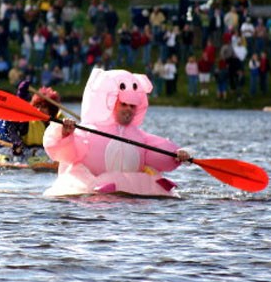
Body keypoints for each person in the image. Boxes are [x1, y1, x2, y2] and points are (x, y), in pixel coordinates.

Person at [43, 68, 190, 197]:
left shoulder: (139, 137)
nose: (128, 109)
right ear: (111, 103)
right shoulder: (88, 133)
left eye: (132, 106)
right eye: (124, 104)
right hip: (93, 189)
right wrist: (65, 134)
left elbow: (156, 152)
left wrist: (175, 155)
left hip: (134, 191)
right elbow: (64, 152)